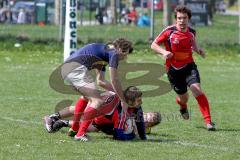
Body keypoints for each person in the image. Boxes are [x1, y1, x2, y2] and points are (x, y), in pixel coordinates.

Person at [151, 5, 216, 131]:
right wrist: (164, 52)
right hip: (173, 70)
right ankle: (182, 105)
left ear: (188, 19)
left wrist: (198, 50)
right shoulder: (169, 31)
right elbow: (153, 45)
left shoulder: (192, 32)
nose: (182, 20)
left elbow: (193, 44)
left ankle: (208, 121)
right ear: (176, 19)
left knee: (196, 89)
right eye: (179, 18)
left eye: (184, 18)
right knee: (184, 97)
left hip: (189, 66)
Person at [60, 38, 133, 141]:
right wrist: (123, 99)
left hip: (67, 69)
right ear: (121, 50)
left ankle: (74, 129)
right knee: (97, 101)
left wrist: (120, 93)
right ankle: (80, 135)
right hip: (76, 69)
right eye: (125, 54)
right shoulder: (114, 54)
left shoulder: (104, 52)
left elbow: (101, 81)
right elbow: (114, 80)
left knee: (86, 97)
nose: (125, 57)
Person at [44, 86, 161, 141]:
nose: (145, 119)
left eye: (148, 121)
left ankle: (64, 123)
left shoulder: (139, 119)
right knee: (84, 111)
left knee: (94, 126)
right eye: (147, 116)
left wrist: (136, 134)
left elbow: (133, 129)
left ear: (149, 126)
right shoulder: (118, 101)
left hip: (105, 122)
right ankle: (54, 117)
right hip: (103, 113)